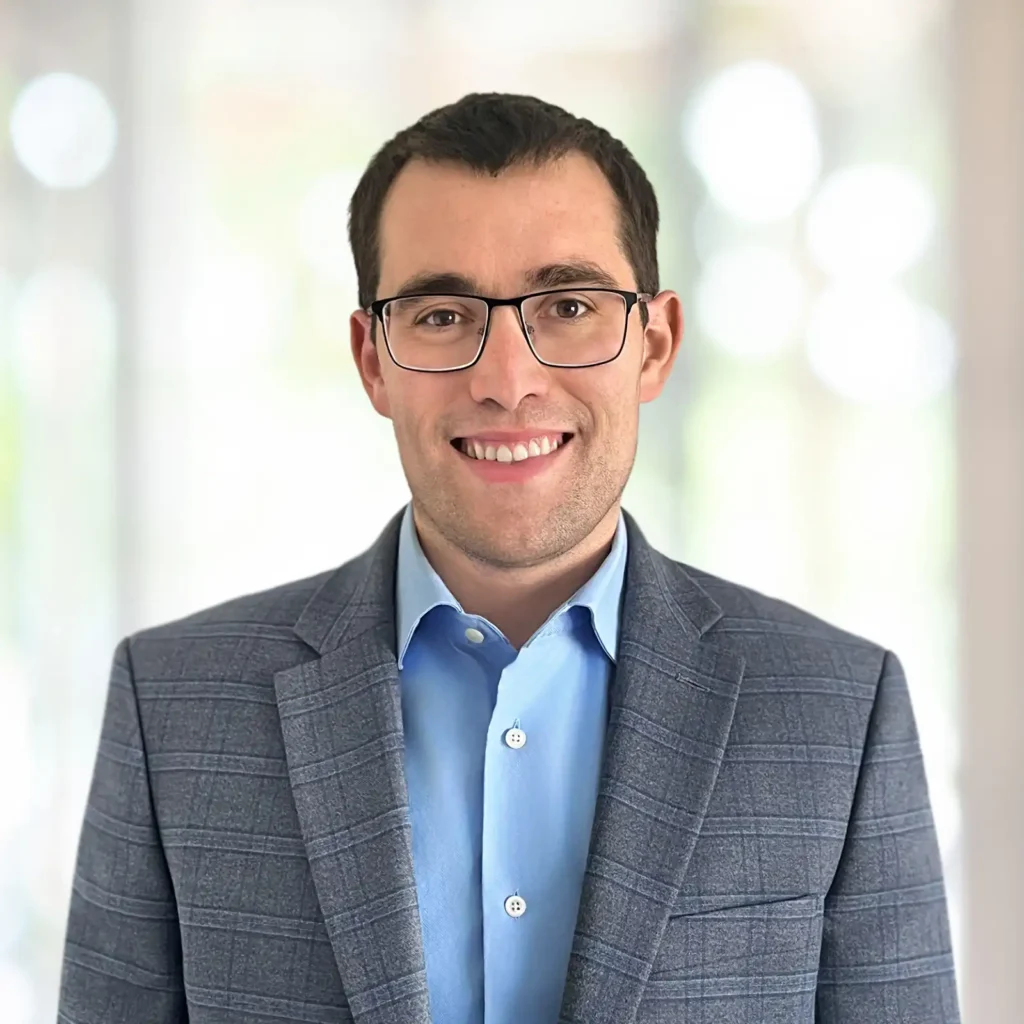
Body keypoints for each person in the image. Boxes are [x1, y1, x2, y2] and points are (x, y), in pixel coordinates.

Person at [57, 93, 960, 1024]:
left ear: (654, 344)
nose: (507, 380)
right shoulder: (171, 707)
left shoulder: (837, 709)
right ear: (374, 359)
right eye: (444, 315)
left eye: (568, 305)